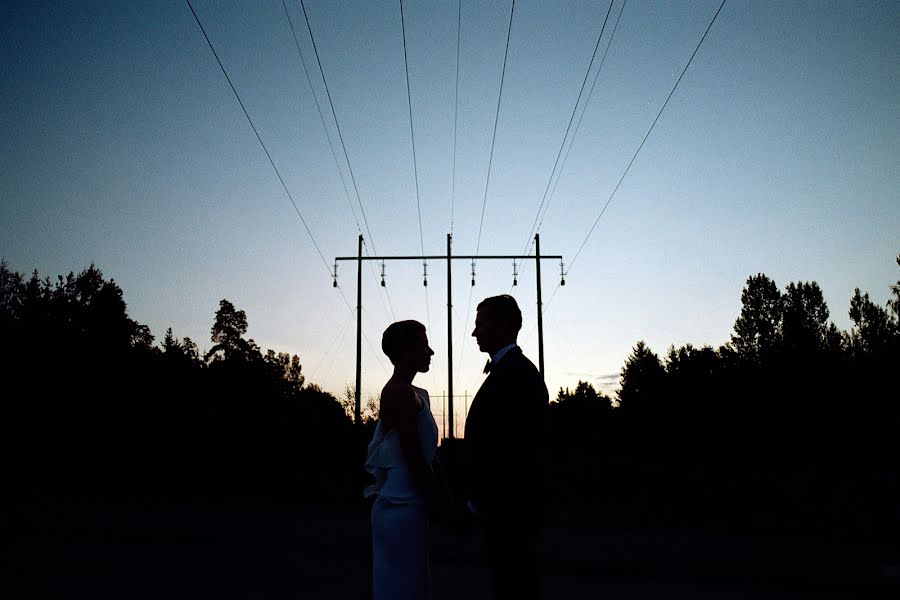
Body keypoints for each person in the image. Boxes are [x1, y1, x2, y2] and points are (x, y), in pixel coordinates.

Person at [465, 295, 549, 600]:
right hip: (506, 509)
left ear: (502, 325)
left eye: (481, 324)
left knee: (515, 584)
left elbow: (518, 448)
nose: (475, 333)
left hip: (510, 510)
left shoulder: (518, 374)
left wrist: (487, 499)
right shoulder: (512, 371)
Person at [365, 320, 439, 600]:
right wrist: (438, 502)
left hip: (411, 504)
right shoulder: (397, 393)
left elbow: (428, 455)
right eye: (422, 344)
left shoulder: (417, 394)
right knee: (401, 588)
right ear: (404, 350)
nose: (430, 351)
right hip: (400, 505)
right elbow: (414, 457)